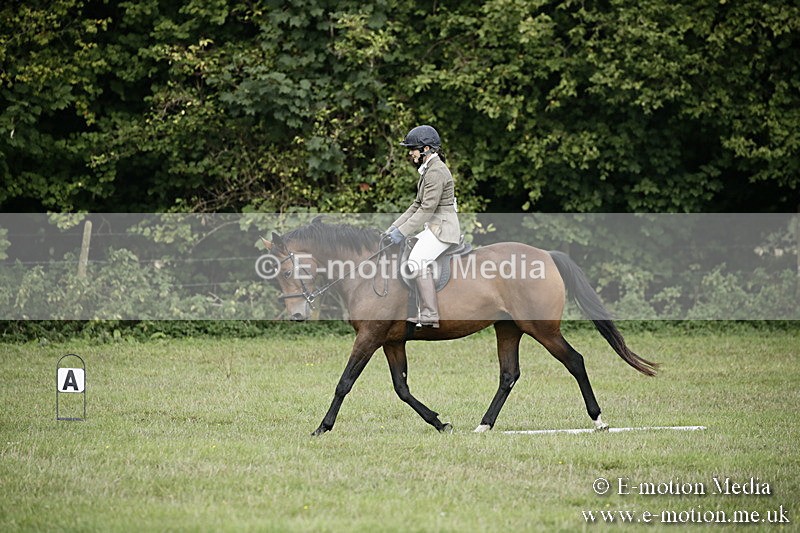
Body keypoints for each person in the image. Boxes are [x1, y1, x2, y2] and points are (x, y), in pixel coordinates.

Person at [385, 125, 461, 328]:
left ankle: (430, 313)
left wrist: (403, 231)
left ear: (426, 149)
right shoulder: (428, 170)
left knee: (417, 261)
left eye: (413, 148)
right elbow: (416, 205)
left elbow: (427, 209)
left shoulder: (436, 172)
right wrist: (394, 228)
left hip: (443, 228)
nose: (410, 153)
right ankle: (413, 306)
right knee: (407, 251)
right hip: (434, 226)